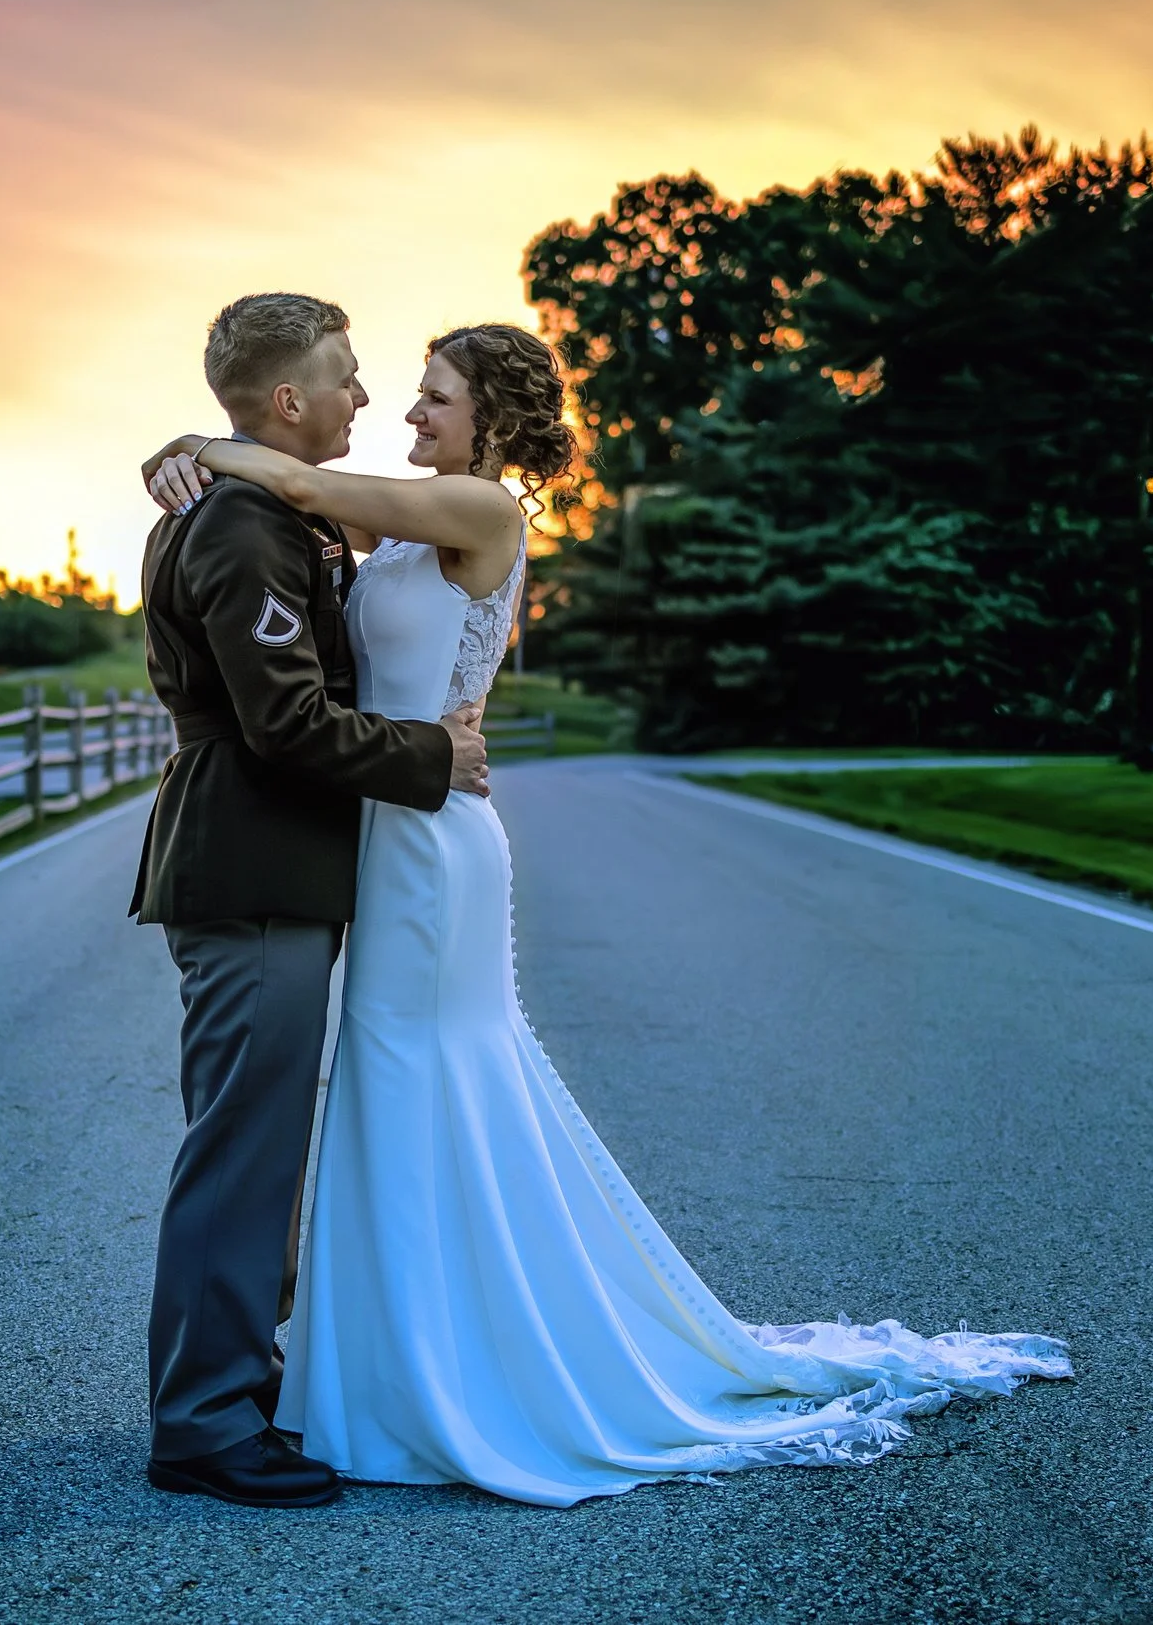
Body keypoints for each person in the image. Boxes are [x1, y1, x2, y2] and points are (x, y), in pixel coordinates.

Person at [139, 318, 1072, 1509]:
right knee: (389, 1094)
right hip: (384, 824)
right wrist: (195, 450)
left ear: (491, 420)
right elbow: (298, 499)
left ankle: (436, 1366)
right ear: (283, 395)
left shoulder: (481, 513)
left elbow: (299, 476)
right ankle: (385, 1365)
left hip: (431, 837)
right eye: (396, 391)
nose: (400, 409)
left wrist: (202, 449)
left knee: (428, 1077)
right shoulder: (375, 520)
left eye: (431, 398)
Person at [130, 292, 491, 1509]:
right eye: (343, 377)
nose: (361, 399)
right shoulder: (242, 523)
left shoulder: (261, 505)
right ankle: (205, 1422)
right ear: (287, 399)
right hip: (253, 860)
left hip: (275, 859)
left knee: (255, 1141)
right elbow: (281, 721)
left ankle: (239, 1389)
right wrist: (432, 756)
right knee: (243, 1149)